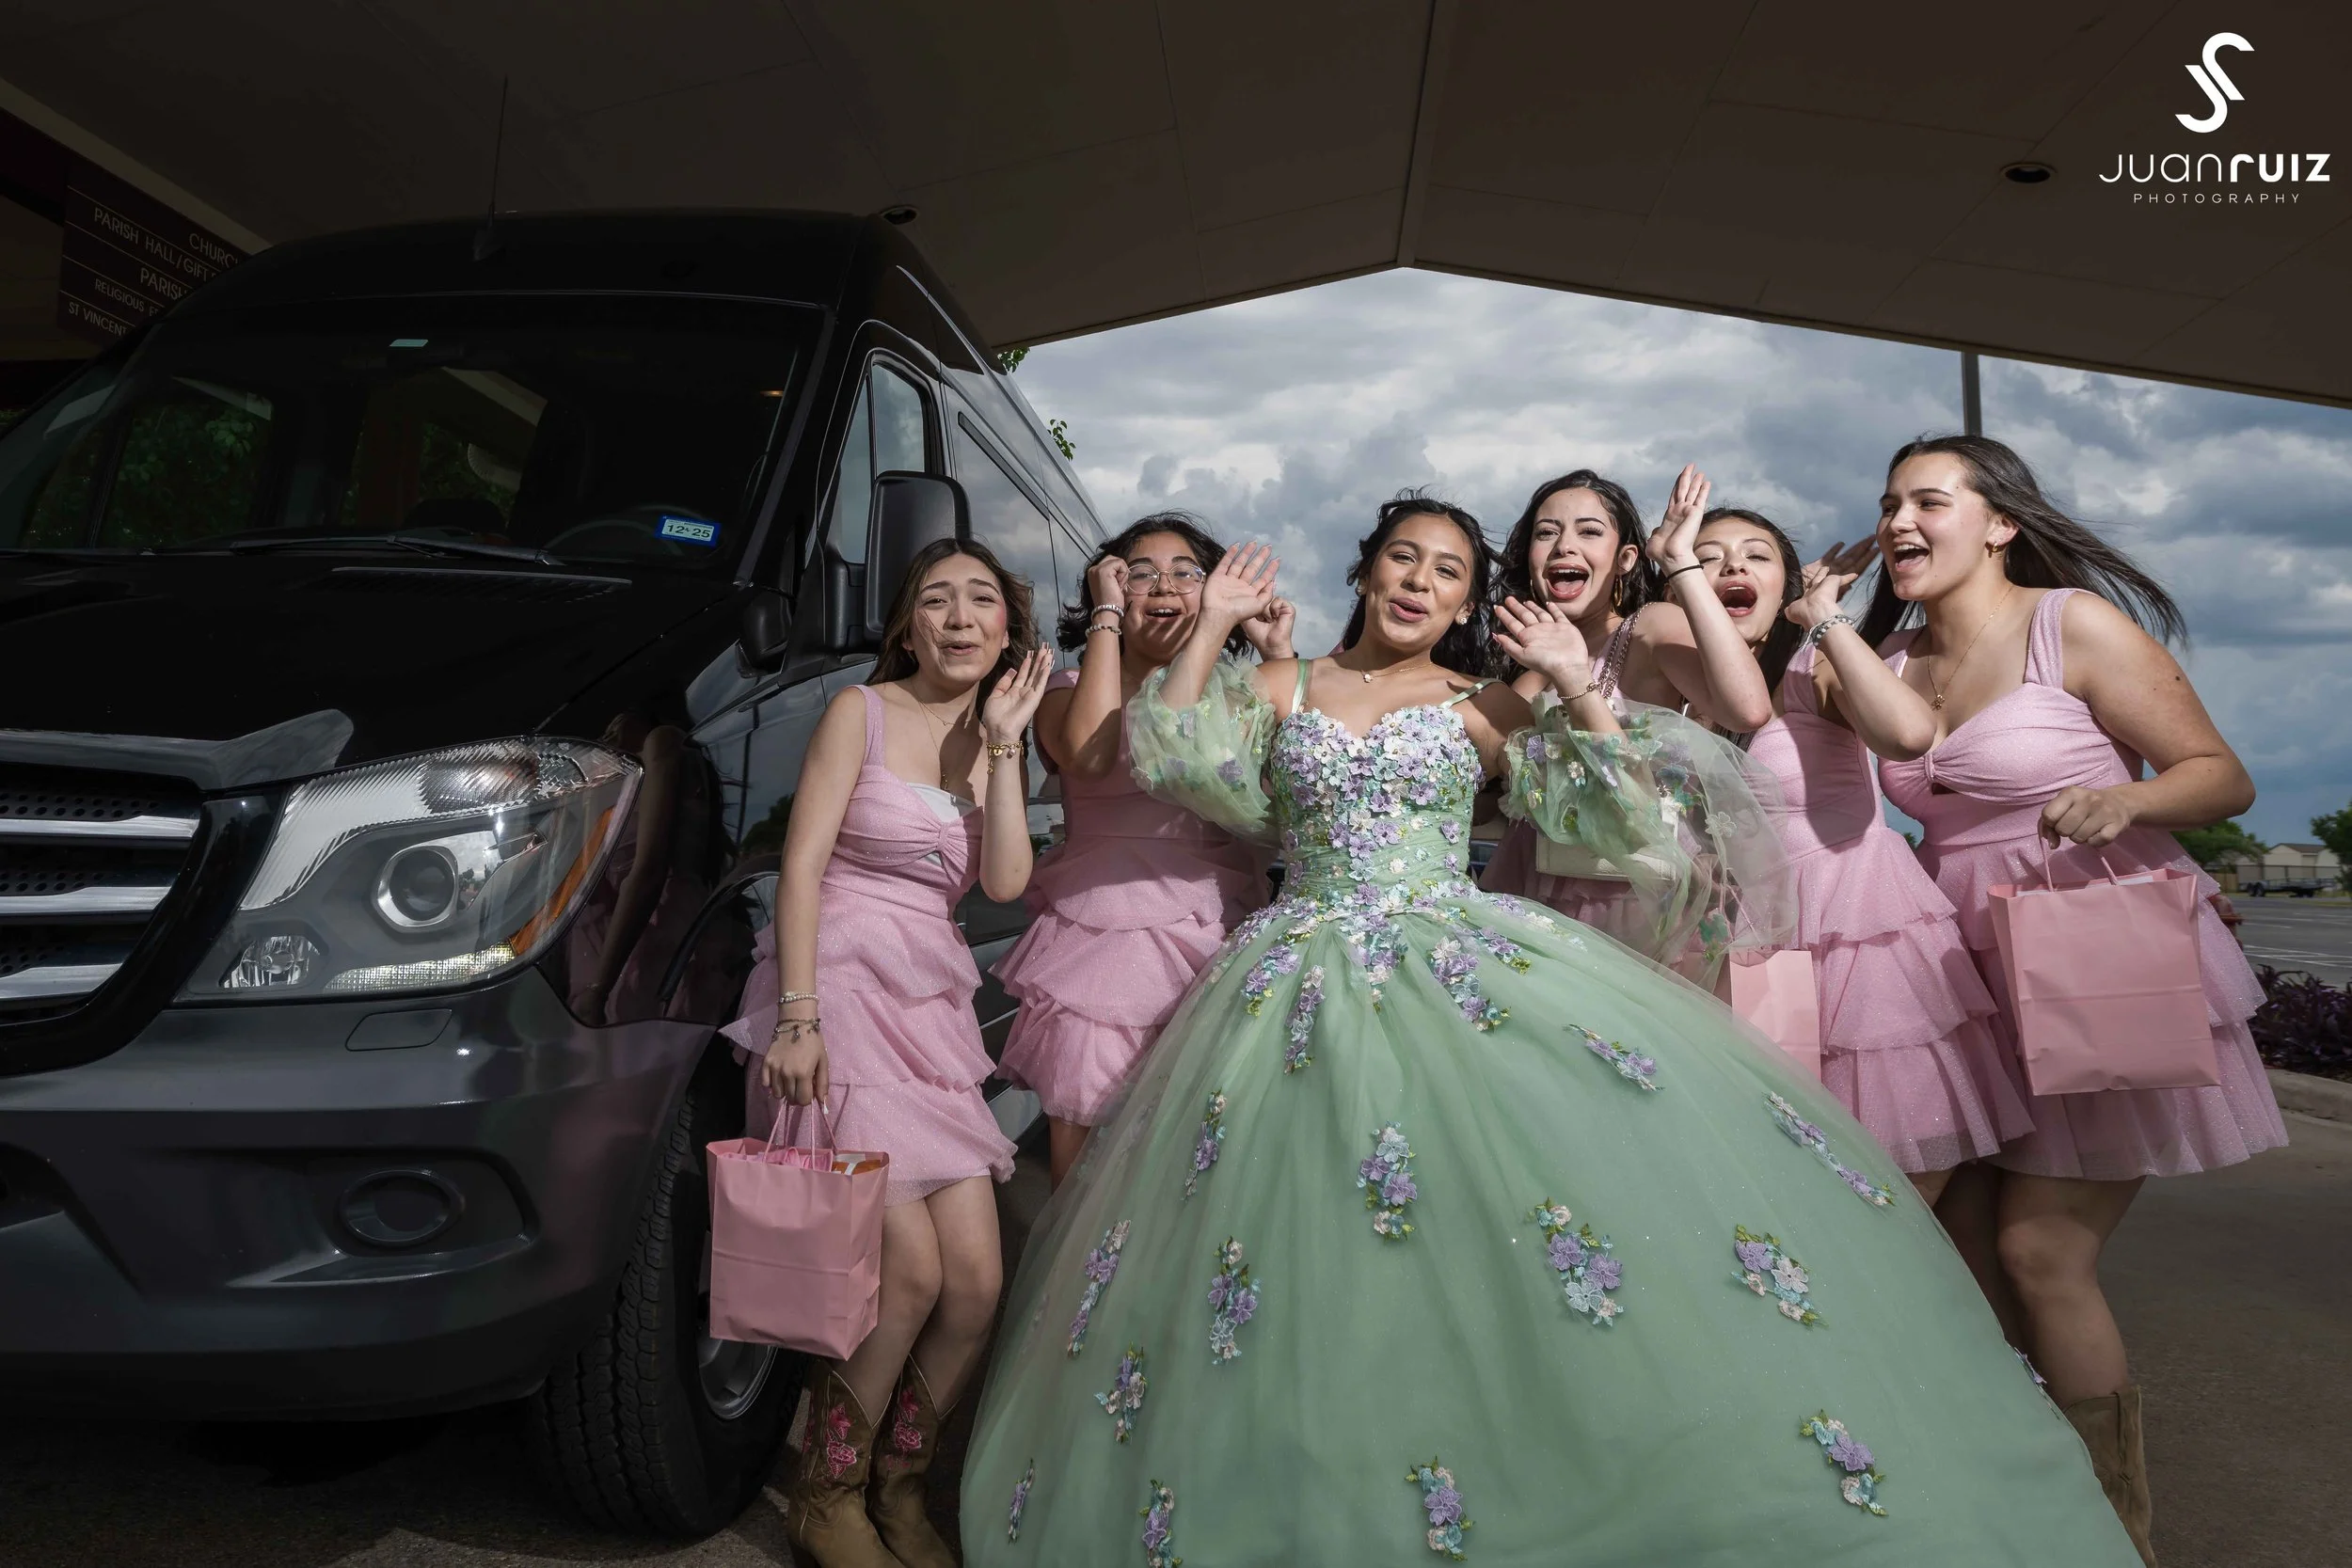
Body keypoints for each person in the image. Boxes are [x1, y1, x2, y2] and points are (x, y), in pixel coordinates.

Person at [957, 497, 2138, 1567]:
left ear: (1471, 601)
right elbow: (1172, 761)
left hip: (1452, 967)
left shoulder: (1486, 702)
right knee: (1297, 1242)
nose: (1419, 582)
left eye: (1448, 571)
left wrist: (1576, 684)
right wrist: (1211, 623)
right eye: (1402, 559)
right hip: (1293, 977)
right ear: (1365, 572)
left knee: (1489, 1227)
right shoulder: (1283, 688)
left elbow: (1625, 825)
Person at [1869, 435, 2289, 1563]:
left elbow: (2220, 772)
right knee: (1953, 1264)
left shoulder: (2072, 625)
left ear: (1999, 520)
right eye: (1888, 502)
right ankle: (2019, 1515)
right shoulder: (1889, 655)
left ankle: (2116, 1534)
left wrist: (2126, 799)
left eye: (1928, 500)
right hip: (1952, 974)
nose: (1899, 520)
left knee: (2041, 1252)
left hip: (2077, 955)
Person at [723, 537, 1054, 1568]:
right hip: (838, 988)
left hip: (928, 1008)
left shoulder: (1003, 737)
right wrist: (798, 1014)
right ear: (905, 625)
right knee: (903, 1269)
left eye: (982, 602)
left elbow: (1002, 880)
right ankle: (826, 1498)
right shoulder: (857, 713)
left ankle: (898, 1482)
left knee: (978, 1285)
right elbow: (802, 865)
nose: (960, 618)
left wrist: (1003, 744)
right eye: (937, 601)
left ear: (1009, 628)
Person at [1693, 507, 2030, 1197]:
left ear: (1786, 582)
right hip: (1741, 945)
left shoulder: (1813, 666)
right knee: (1769, 1181)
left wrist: (1823, 620)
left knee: (1885, 1187)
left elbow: (1911, 731)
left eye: (1756, 555)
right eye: (1707, 556)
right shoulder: (1687, 699)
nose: (1732, 567)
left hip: (1852, 934)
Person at [995, 514, 1289, 1187]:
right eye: (1139, 572)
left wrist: (1275, 656)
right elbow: (1090, 754)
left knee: (1200, 1153)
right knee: (1086, 1162)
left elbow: (1293, 798)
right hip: (1099, 940)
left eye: (1187, 571)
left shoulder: (1240, 697)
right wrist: (1103, 615)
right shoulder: (1063, 693)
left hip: (1216, 934)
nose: (1165, 584)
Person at [1481, 465, 1788, 980]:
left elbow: (1747, 709)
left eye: (1589, 531)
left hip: (1632, 899)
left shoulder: (1646, 628)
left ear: (1625, 559)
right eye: (1546, 532)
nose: (1564, 547)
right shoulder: (1527, 659)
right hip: (1530, 886)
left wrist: (1680, 563)